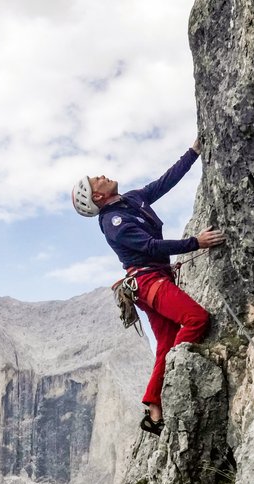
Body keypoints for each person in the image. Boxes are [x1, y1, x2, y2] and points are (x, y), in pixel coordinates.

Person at [71, 138, 225, 436]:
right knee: (197, 319)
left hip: (152, 280)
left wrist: (193, 152)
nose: (101, 175)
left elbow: (164, 183)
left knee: (166, 342)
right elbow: (151, 246)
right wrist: (196, 243)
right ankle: (175, 381)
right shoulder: (114, 222)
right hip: (148, 282)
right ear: (98, 196)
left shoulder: (130, 200)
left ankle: (154, 410)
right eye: (95, 180)